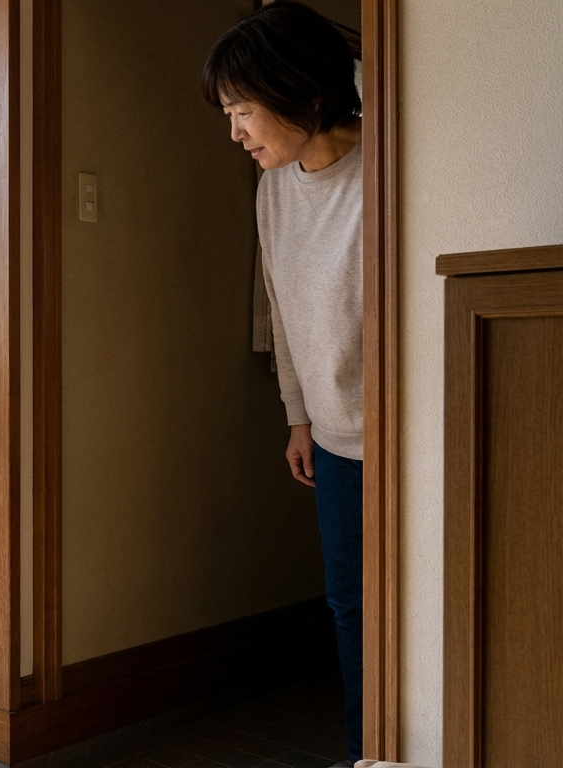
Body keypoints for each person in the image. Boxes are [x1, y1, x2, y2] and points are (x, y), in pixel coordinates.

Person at [203, 3, 364, 765]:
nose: (235, 132)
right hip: (332, 436)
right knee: (350, 607)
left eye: (243, 111)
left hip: (414, 428)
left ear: (298, 90)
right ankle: (371, 749)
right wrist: (298, 417)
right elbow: (284, 302)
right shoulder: (274, 189)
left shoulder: (390, 165)